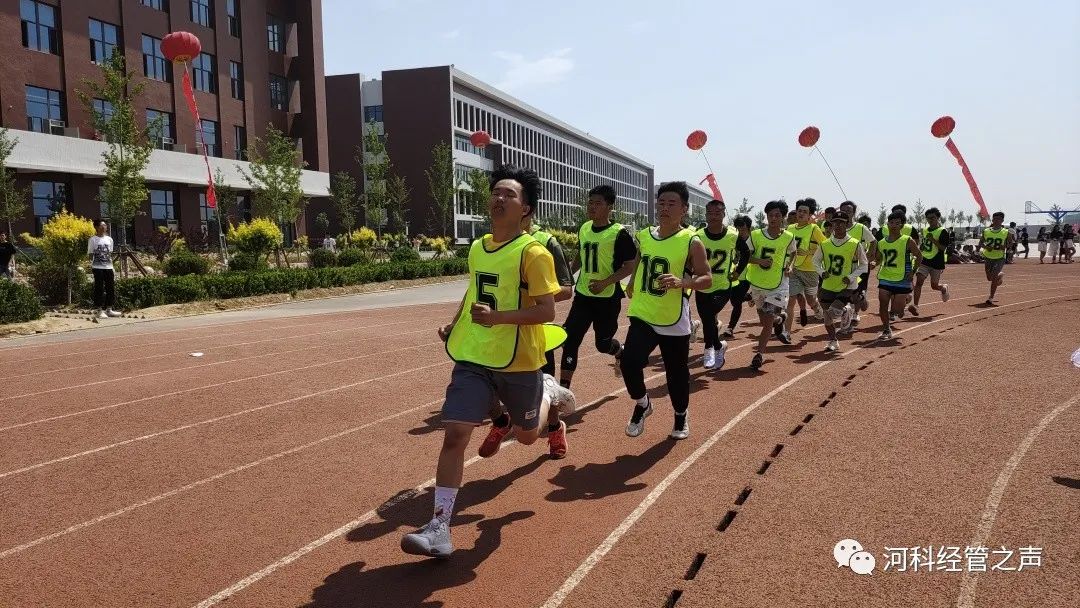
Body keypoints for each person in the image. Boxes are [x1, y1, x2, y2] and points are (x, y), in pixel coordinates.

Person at [400, 165, 560, 559]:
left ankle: (548, 396)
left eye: (509, 194)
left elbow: (547, 311)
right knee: (455, 433)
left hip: (520, 360)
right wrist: (455, 325)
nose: (499, 198)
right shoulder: (477, 246)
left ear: (526, 209)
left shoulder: (533, 253)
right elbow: (475, 289)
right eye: (496, 192)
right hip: (476, 356)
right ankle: (439, 527)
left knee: (526, 436)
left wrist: (500, 318)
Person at [479, 213, 575, 459]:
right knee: (481, 380)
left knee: (541, 387)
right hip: (493, 332)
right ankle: (500, 421)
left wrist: (531, 295)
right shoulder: (490, 244)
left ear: (527, 210)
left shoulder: (545, 243)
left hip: (530, 332)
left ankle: (554, 428)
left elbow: (566, 289)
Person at [622, 181, 712, 440]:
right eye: (661, 203)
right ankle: (642, 404)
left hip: (673, 316)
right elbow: (640, 259)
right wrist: (632, 282)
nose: (665, 207)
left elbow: (707, 278)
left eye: (672, 203)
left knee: (676, 373)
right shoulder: (645, 234)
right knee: (630, 363)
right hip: (644, 311)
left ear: (684, 209)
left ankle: (681, 415)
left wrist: (683, 282)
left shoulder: (691, 241)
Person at [555, 185, 636, 391]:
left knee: (602, 344)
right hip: (583, 295)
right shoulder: (584, 228)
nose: (592, 207)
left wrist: (605, 283)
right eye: (590, 202)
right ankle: (564, 391)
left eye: (598, 203)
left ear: (610, 206)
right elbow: (581, 256)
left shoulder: (619, 234)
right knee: (570, 339)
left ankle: (620, 352)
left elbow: (630, 265)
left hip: (607, 298)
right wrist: (567, 278)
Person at [694, 199, 749, 369]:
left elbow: (746, 253)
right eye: (710, 213)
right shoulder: (698, 235)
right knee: (707, 319)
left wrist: (738, 271)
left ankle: (709, 348)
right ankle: (719, 346)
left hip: (723, 286)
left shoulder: (732, 235)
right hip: (702, 284)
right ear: (705, 215)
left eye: (717, 213)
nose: (713, 216)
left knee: (709, 316)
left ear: (724, 214)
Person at [745, 200, 797, 369]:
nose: (773, 218)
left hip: (778, 284)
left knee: (766, 323)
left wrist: (790, 265)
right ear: (766, 216)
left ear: (783, 218)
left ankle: (759, 354)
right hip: (758, 283)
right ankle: (779, 319)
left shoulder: (788, 237)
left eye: (777, 215)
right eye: (770, 215)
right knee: (763, 320)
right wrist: (760, 261)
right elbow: (745, 256)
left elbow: (793, 252)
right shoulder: (756, 235)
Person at [813, 211, 867, 352]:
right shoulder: (824, 244)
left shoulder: (854, 244)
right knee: (827, 317)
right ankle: (833, 341)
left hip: (846, 286)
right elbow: (815, 261)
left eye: (841, 222)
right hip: (828, 284)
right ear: (832, 224)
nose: (838, 225)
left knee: (831, 313)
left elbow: (864, 264)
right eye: (835, 222)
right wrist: (821, 272)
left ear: (846, 224)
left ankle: (845, 311)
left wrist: (850, 277)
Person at [875, 212, 922, 340]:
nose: (894, 225)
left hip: (902, 279)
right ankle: (886, 330)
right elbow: (879, 259)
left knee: (897, 312)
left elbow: (919, 256)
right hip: (885, 277)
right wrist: (874, 263)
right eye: (891, 222)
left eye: (897, 223)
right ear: (887, 224)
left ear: (902, 225)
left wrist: (913, 271)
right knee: (883, 305)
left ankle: (906, 305)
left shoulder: (907, 240)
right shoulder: (881, 242)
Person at [785, 198, 826, 331]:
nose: (801, 213)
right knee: (791, 299)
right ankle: (787, 332)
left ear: (810, 215)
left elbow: (826, 246)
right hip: (794, 269)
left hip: (810, 270)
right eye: (799, 211)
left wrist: (809, 251)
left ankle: (817, 308)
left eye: (805, 211)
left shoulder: (814, 228)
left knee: (810, 300)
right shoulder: (790, 228)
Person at [837, 202, 877, 330]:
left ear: (853, 213)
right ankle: (852, 308)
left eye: (849, 211)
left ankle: (855, 312)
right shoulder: (837, 228)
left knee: (855, 293)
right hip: (843, 267)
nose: (846, 213)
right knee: (844, 292)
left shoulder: (860, 228)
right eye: (843, 210)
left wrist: (869, 256)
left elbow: (873, 242)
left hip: (859, 268)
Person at [909, 207, 951, 315]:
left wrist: (933, 240)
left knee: (934, 285)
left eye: (932, 218)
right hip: (924, 260)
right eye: (928, 218)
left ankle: (943, 288)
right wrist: (920, 248)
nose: (930, 220)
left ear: (937, 218)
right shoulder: (925, 230)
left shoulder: (943, 231)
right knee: (919, 282)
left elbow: (942, 248)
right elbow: (924, 245)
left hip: (937, 262)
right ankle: (916, 306)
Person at [722, 215, 754, 338]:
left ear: (748, 228)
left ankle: (730, 327)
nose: (740, 232)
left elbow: (753, 258)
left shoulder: (753, 240)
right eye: (738, 229)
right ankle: (750, 297)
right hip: (732, 274)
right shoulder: (733, 239)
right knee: (733, 298)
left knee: (736, 302)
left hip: (747, 276)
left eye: (743, 229)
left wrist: (751, 260)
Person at [88, 222, 122, 318]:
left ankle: (109, 309)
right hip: (97, 268)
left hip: (109, 267)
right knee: (99, 288)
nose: (104, 227)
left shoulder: (109, 239)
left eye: (105, 225)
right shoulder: (92, 240)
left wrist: (111, 266)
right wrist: (93, 264)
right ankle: (99, 310)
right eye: (102, 225)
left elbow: (109, 253)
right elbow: (90, 255)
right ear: (96, 227)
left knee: (110, 288)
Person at [978, 212, 1013, 305]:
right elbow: (980, 243)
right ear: (992, 220)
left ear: (1002, 221)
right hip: (988, 256)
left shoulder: (1006, 232)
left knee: (993, 278)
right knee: (989, 278)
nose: (996, 221)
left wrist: (1005, 246)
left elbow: (1011, 243)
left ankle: (991, 297)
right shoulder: (986, 231)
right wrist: (986, 247)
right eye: (995, 219)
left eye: (998, 219)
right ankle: (999, 276)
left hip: (999, 257)